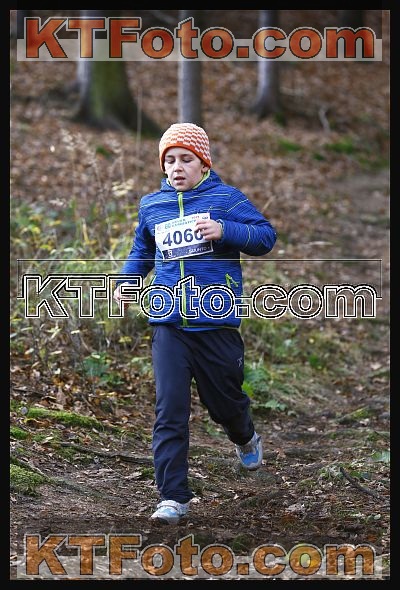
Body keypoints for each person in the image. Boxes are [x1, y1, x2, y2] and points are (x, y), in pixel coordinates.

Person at [114, 122, 277, 525]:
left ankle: (244, 435)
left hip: (216, 321)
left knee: (224, 402)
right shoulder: (152, 205)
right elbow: (142, 251)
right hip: (168, 321)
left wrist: (225, 230)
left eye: (186, 159)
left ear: (203, 164)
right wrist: (128, 281)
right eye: (169, 160)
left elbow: (265, 237)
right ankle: (173, 496)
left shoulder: (226, 199)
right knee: (169, 409)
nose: (176, 167)